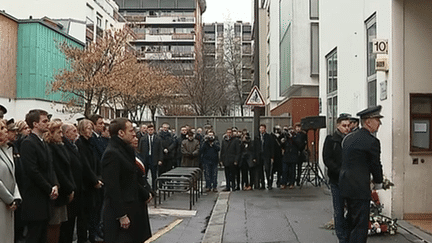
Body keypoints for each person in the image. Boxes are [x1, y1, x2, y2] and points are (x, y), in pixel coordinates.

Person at [102, 118, 153, 243]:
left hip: (134, 205)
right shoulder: (112, 154)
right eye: (130, 130)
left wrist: (145, 193)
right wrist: (121, 215)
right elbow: (112, 187)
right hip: (122, 210)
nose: (134, 134)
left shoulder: (126, 150)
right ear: (121, 133)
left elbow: (132, 178)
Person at [339, 105, 384, 243]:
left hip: (346, 185)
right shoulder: (372, 142)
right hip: (359, 188)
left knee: (350, 220)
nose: (380, 123)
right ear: (368, 122)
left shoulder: (348, 138)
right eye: (377, 119)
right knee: (360, 225)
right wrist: (379, 182)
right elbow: (375, 164)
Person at [20, 109, 59, 243]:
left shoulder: (44, 143)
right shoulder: (28, 143)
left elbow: (50, 167)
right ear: (35, 124)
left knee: (43, 236)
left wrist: (55, 185)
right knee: (34, 236)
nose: (47, 123)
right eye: (44, 121)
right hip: (35, 199)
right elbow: (32, 171)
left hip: (45, 200)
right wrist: (49, 188)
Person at [44, 121, 75, 243]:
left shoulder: (60, 147)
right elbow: (58, 171)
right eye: (59, 132)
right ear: (51, 133)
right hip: (58, 192)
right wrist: (69, 188)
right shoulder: (51, 149)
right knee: (53, 225)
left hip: (64, 191)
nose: (61, 135)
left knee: (59, 225)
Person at [323, 113, 351, 243]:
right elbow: (327, 159)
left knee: (351, 210)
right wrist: (340, 171)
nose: (347, 128)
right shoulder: (331, 140)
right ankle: (342, 238)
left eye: (348, 125)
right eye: (344, 125)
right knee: (339, 211)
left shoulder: (351, 139)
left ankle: (348, 233)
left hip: (351, 181)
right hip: (337, 180)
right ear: (338, 126)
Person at [76, 119, 103, 243]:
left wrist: (99, 177)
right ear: (82, 130)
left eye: (91, 128)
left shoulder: (91, 143)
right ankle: (83, 238)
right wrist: (94, 180)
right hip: (85, 185)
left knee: (94, 211)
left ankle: (93, 234)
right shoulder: (80, 143)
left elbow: (96, 162)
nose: (90, 131)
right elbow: (84, 165)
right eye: (88, 128)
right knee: (84, 214)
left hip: (94, 182)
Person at [0, 118, 21, 243]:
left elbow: (13, 176)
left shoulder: (6, 150)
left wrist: (16, 197)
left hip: (9, 205)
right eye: (1, 129)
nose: (5, 132)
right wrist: (9, 198)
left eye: (5, 129)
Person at [138, 124, 162, 191]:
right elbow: (140, 149)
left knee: (154, 175)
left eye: (151, 130)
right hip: (145, 159)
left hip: (154, 159)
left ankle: (154, 189)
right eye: (149, 130)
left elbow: (160, 149)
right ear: (147, 130)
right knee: (144, 175)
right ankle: (145, 189)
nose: (150, 131)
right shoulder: (143, 139)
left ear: (153, 130)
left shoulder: (158, 139)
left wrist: (160, 159)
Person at [255, 124, 274, 190]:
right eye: (260, 128)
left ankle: (269, 184)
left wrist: (272, 156)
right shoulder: (257, 137)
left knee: (267, 169)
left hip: (266, 155)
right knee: (260, 171)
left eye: (262, 128)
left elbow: (271, 147)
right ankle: (262, 184)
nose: (261, 129)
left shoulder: (268, 137)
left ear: (265, 129)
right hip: (260, 155)